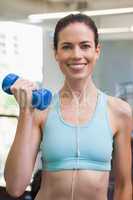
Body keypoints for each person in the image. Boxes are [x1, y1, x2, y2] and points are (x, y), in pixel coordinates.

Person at [4, 13, 132, 200]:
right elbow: (15, 187)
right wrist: (25, 111)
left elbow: (124, 186)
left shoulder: (119, 112)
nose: (77, 55)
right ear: (56, 52)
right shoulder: (41, 111)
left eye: (85, 46)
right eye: (67, 47)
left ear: (97, 50)